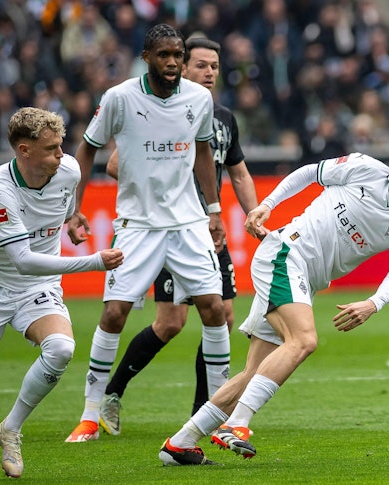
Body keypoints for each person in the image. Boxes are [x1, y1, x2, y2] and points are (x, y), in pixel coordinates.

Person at [157, 115, 389, 466]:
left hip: (306, 280)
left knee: (253, 374)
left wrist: (373, 304)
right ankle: (237, 424)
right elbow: (307, 174)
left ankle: (179, 444)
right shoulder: (362, 168)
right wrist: (267, 204)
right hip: (286, 253)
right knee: (303, 340)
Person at [0, 107, 124, 481]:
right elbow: (24, 260)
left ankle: (10, 429)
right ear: (24, 150)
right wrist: (94, 262)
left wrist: (73, 220)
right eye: (51, 149)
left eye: (61, 146)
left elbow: (63, 209)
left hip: (38, 287)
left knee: (61, 348)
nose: (61, 155)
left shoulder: (69, 170)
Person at [64, 24, 228, 443]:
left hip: (188, 224)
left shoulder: (199, 99)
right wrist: (75, 208)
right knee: (114, 312)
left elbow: (205, 151)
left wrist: (213, 209)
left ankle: (215, 415)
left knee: (214, 308)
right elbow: (88, 147)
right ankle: (89, 413)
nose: (172, 62)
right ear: (147, 57)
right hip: (137, 226)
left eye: (177, 54)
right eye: (164, 55)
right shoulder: (120, 98)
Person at [99, 36, 259, 436]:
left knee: (222, 315)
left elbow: (237, 170)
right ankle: (112, 393)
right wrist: (167, 184)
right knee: (170, 323)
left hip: (208, 230)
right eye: (201, 65)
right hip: (169, 226)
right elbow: (116, 164)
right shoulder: (159, 109)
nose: (209, 72)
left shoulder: (221, 117)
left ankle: (204, 412)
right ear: (182, 68)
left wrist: (252, 213)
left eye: (215, 66)